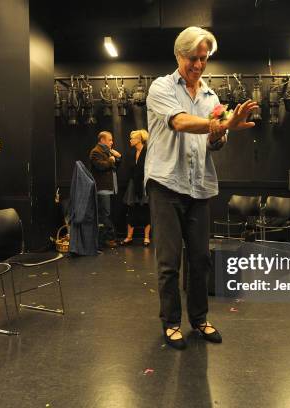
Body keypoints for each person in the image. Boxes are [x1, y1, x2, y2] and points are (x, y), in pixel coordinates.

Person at [146, 26, 257, 349]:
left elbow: (212, 144)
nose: (198, 64)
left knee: (200, 259)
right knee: (169, 262)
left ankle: (199, 319)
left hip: (199, 187)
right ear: (179, 55)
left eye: (203, 58)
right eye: (192, 57)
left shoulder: (211, 97)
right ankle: (170, 322)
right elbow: (179, 123)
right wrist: (222, 124)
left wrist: (221, 133)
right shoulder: (160, 87)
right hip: (166, 184)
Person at [89, 131, 121, 249]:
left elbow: (115, 167)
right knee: (104, 214)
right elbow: (101, 166)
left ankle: (105, 239)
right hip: (102, 188)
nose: (112, 142)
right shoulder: (95, 152)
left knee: (106, 214)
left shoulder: (108, 152)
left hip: (111, 188)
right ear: (102, 140)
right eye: (110, 140)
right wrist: (112, 160)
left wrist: (118, 158)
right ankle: (109, 238)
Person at [121, 129, 151, 246]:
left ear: (139, 140)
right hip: (133, 185)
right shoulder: (132, 153)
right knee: (131, 210)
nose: (130, 140)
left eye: (132, 138)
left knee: (146, 210)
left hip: (144, 184)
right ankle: (129, 237)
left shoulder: (148, 152)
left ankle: (147, 237)